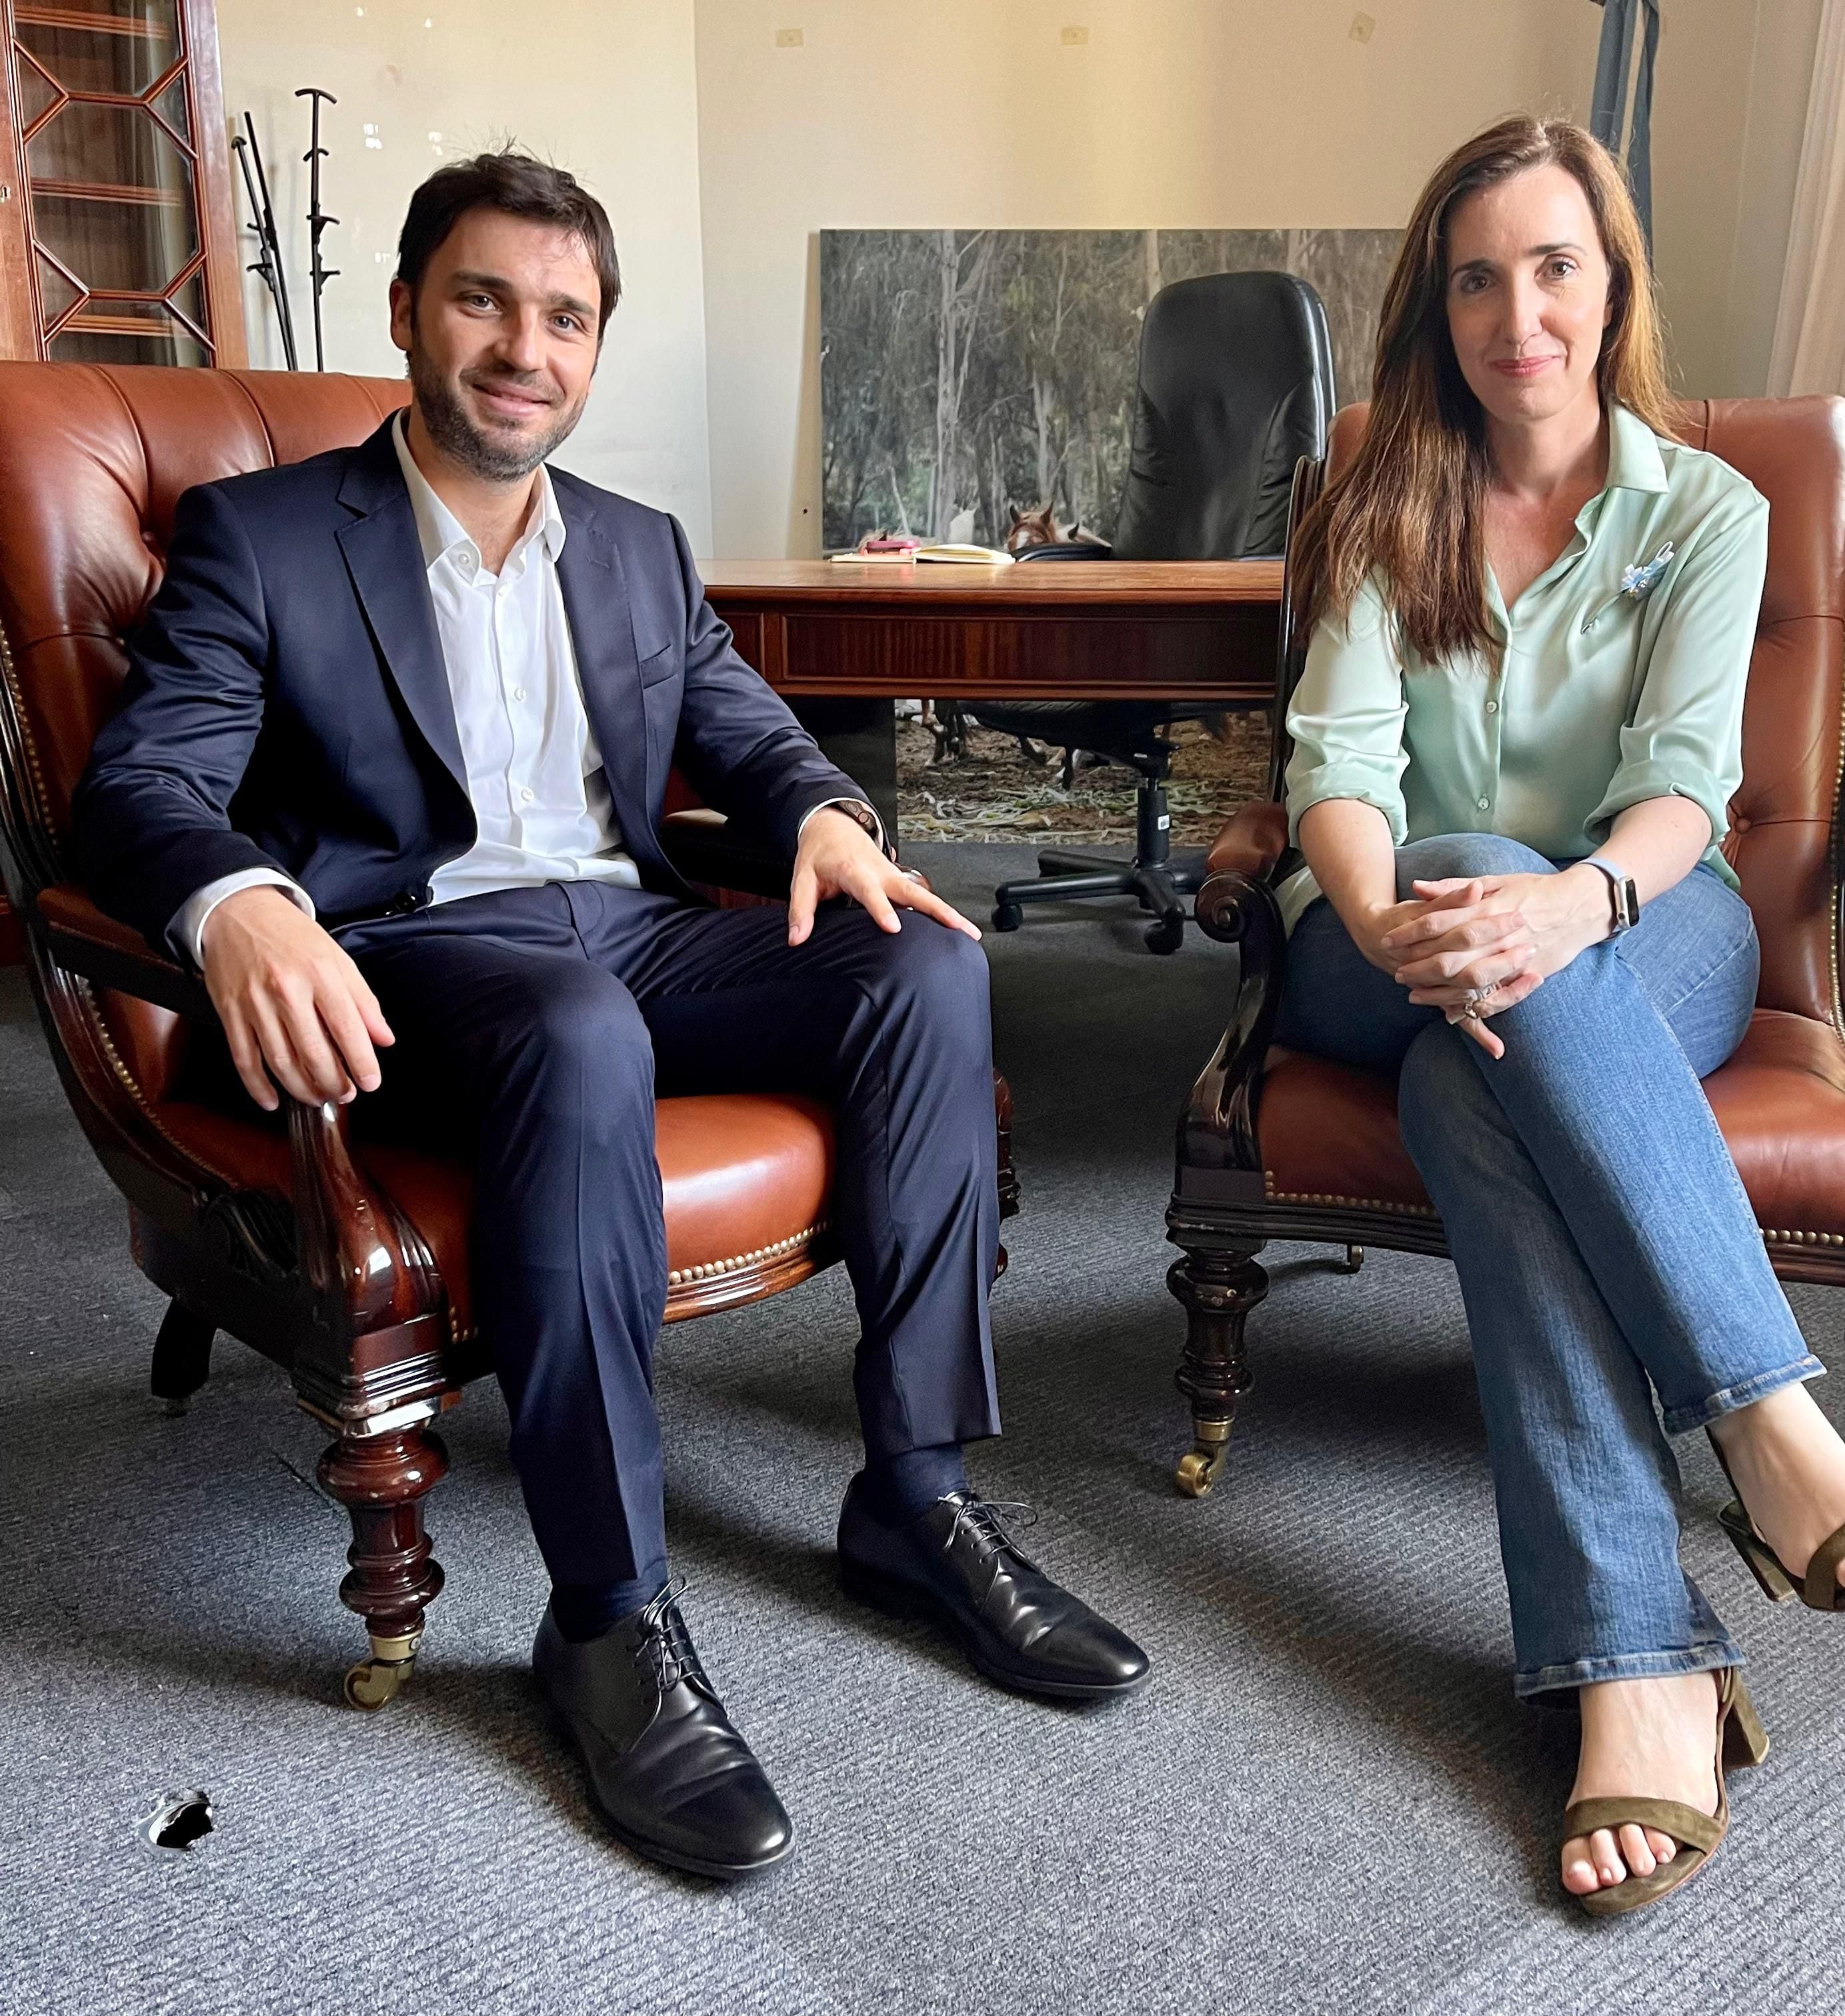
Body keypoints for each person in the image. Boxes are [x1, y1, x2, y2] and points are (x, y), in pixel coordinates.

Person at [71, 152, 1148, 1880]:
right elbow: (141, 784)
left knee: (929, 964)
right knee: (576, 1025)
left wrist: (824, 818)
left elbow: (751, 732)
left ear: (594, 348)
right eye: (486, 300)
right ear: (409, 310)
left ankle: (917, 1493)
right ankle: (606, 1615)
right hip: (415, 953)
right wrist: (242, 902)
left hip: (632, 936)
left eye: (566, 317)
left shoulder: (637, 548)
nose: (527, 347)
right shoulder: (265, 537)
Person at [1274, 116, 1845, 1916]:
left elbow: (1681, 788)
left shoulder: (1706, 512)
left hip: (1647, 922)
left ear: (1612, 285)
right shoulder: (1380, 504)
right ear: (1437, 305)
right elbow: (1337, 772)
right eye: (1478, 279)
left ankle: (1635, 1666)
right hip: (1387, 931)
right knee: (1469, 884)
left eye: (1555, 267)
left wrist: (1565, 907)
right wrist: (1409, 922)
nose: (1520, 316)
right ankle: (1764, 1417)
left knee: (1475, 1082)